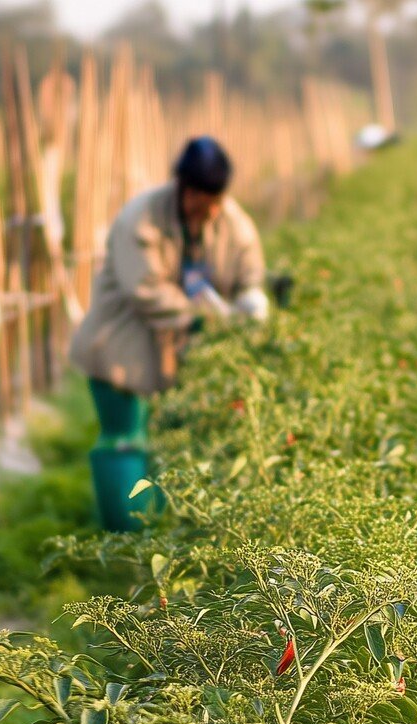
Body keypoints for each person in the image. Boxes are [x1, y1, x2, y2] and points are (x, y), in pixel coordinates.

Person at [69, 135, 269, 530]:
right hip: (122, 345)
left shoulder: (235, 226)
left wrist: (251, 302)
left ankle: (164, 531)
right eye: (196, 195)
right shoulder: (140, 218)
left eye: (212, 200)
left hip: (179, 353)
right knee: (123, 439)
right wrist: (212, 317)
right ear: (182, 186)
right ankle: (124, 541)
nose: (204, 208)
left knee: (172, 445)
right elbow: (146, 291)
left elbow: (249, 276)